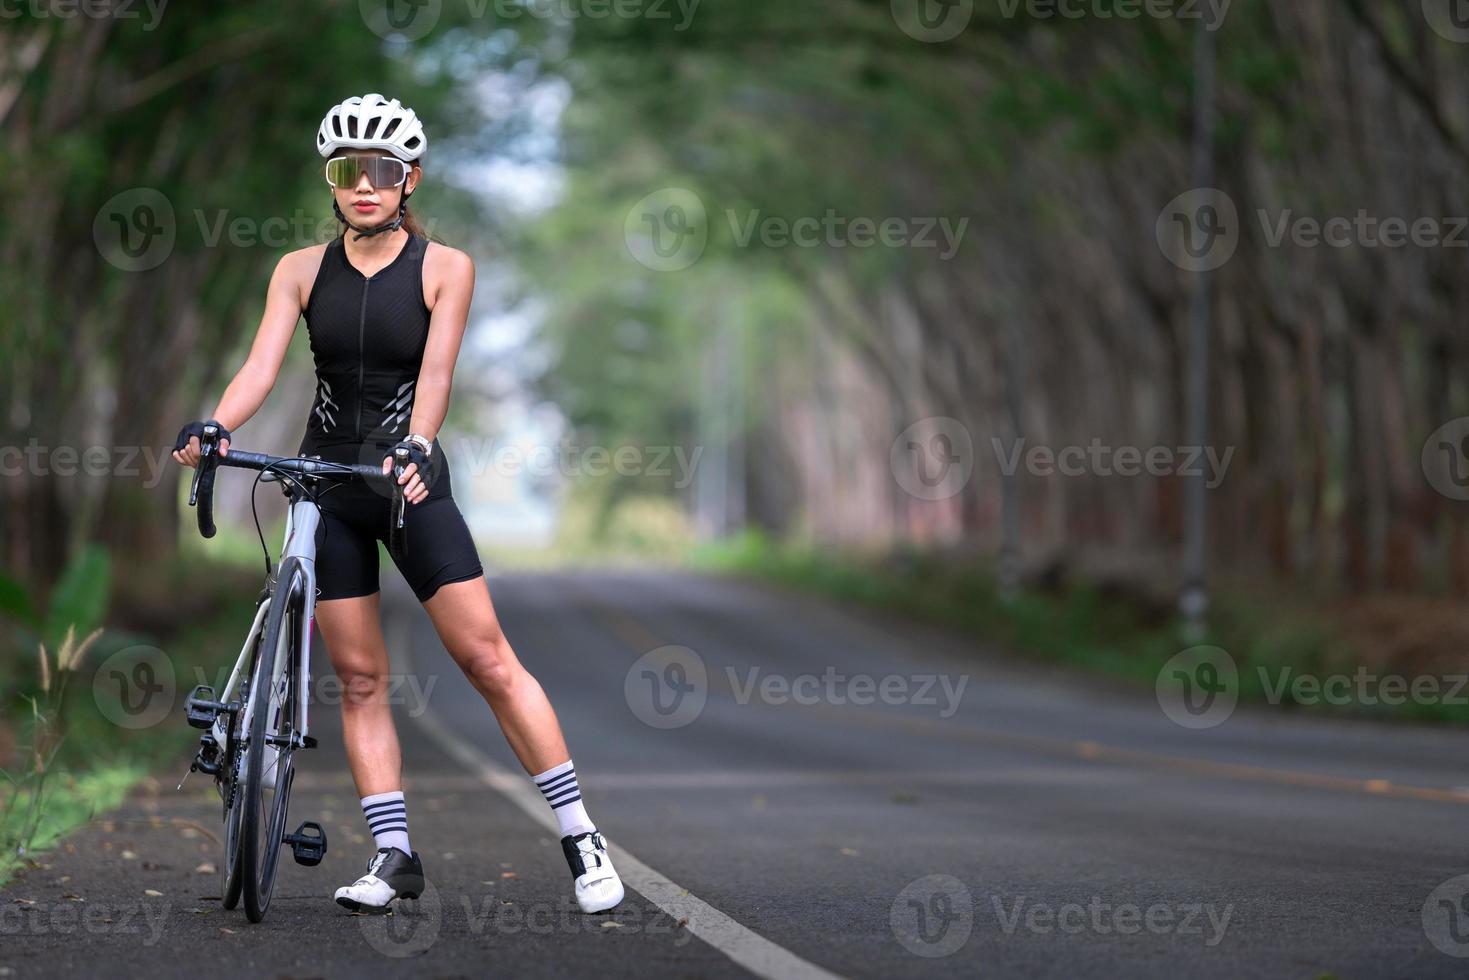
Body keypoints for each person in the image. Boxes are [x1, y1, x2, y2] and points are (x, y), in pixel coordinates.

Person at [170, 94, 623, 915]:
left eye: (382, 172)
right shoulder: (299, 270)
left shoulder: (447, 266)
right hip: (326, 485)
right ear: (332, 183)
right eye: (348, 172)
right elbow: (260, 366)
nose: (365, 186)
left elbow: (439, 374)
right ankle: (393, 853)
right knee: (358, 676)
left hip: (407, 480)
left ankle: (579, 832)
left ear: (408, 178)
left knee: (487, 661)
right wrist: (218, 422)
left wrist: (416, 443)